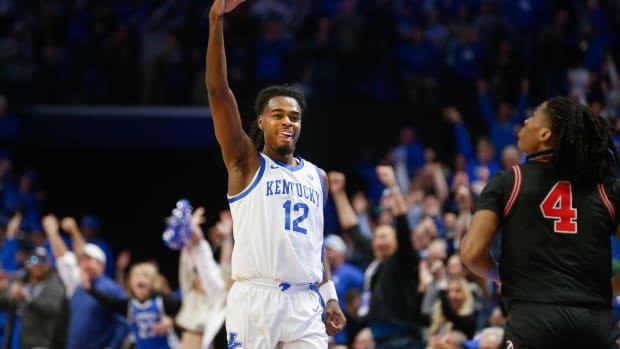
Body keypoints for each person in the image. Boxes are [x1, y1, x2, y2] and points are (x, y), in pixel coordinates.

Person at [204, 0, 345, 347]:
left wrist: (330, 296)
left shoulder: (318, 177)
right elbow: (218, 92)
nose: (287, 122)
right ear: (261, 122)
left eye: (294, 117)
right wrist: (215, 20)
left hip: (304, 304)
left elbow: (315, 245)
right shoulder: (245, 162)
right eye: (278, 115)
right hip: (256, 298)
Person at [461, 96, 620, 348]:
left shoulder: (509, 181)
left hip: (533, 320)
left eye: (533, 116)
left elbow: (471, 253)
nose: (525, 120)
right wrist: (609, 291)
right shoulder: (606, 188)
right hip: (595, 323)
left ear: (545, 134)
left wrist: (501, 276)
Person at [42, 215, 129, 349]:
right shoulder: (78, 287)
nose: (86, 264)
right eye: (83, 260)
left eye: (91, 260)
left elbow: (123, 322)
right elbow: (63, 258)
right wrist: (53, 232)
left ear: (102, 265)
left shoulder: (111, 288)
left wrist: (112, 347)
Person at [0, 246, 69, 349]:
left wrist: (27, 297)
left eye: (43, 260)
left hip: (39, 342)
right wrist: (10, 293)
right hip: (16, 337)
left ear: (49, 264)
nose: (38, 264)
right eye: (34, 259)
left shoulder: (55, 285)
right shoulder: (22, 281)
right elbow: (3, 303)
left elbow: (51, 309)